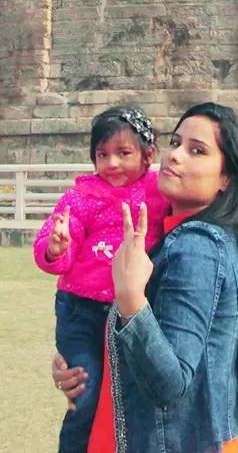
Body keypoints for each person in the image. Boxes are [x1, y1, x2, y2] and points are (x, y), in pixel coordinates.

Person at [51, 102, 238, 453]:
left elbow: (171, 384)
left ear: (226, 178)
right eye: (175, 142)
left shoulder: (196, 248)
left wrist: (131, 301)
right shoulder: (174, 236)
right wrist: (83, 361)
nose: (175, 156)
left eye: (197, 150)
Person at [34, 106, 168, 453]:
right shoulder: (81, 196)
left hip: (129, 312)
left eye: (124, 153)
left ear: (148, 154)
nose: (111, 164)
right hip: (80, 313)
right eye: (102, 154)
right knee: (87, 392)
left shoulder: (159, 191)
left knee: (131, 396)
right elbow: (58, 242)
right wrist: (55, 248)